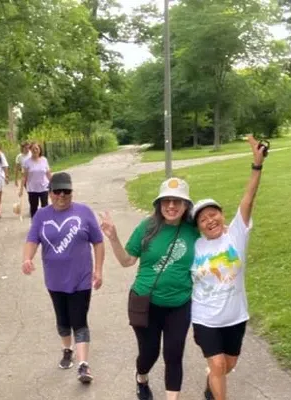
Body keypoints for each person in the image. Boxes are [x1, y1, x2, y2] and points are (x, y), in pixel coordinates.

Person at [99, 177, 200, 400]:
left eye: (177, 201)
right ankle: (141, 377)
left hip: (179, 304)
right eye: (166, 201)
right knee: (149, 353)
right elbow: (127, 261)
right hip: (145, 302)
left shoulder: (193, 230)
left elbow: (214, 241)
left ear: (186, 205)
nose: (171, 206)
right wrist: (113, 238)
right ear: (159, 204)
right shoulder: (147, 227)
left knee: (174, 355)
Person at [190, 135, 267, 400]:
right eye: (202, 219)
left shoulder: (236, 235)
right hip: (205, 317)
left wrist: (257, 165)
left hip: (235, 317)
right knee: (218, 364)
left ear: (222, 215)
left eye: (213, 214)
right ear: (198, 227)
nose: (209, 220)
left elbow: (248, 199)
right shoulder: (195, 246)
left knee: (227, 366)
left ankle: (211, 387)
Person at [22, 172, 105, 383]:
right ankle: (67, 349)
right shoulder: (41, 216)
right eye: (57, 191)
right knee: (62, 320)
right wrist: (27, 258)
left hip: (81, 278)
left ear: (71, 192)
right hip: (55, 279)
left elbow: (98, 242)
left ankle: (83, 365)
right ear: (50, 193)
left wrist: (98, 270)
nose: (62, 195)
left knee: (79, 320)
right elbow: (32, 239)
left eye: (66, 191)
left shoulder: (84, 212)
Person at [20, 142, 52, 218]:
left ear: (40, 150)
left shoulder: (44, 160)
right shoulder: (27, 162)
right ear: (30, 150)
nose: (35, 150)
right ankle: (35, 223)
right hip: (32, 189)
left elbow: (48, 173)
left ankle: (45, 222)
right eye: (33, 149)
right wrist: (21, 189)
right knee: (33, 208)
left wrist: (53, 184)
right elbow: (24, 176)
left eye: (36, 148)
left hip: (44, 187)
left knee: (45, 207)